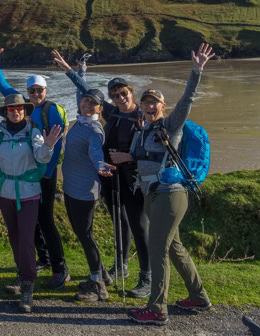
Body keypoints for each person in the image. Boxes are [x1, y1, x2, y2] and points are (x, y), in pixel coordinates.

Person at [113, 43, 216, 326]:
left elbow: (187, 100)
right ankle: (199, 297)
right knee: (174, 248)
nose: (148, 106)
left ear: (162, 106)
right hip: (153, 195)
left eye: (154, 102)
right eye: (145, 102)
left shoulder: (171, 126)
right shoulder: (143, 130)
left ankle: (157, 310)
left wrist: (196, 70)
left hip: (170, 195)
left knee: (158, 248)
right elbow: (141, 159)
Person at [52, 49, 151, 298]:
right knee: (120, 223)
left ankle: (147, 278)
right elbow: (85, 91)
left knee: (139, 226)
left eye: (124, 93)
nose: (120, 97)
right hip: (111, 178)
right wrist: (70, 70)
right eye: (115, 95)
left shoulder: (143, 117)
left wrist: (129, 157)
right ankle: (121, 266)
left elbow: (154, 149)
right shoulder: (112, 112)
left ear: (131, 93)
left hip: (135, 179)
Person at [0, 94, 62, 313]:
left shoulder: (33, 133)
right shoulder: (0, 137)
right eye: (11, 109)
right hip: (5, 193)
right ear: (6, 112)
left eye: (19, 108)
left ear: (25, 111)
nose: (15, 112)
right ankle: (22, 274)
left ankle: (27, 285)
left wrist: (50, 145)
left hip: (29, 194)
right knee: (14, 237)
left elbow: (42, 156)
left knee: (26, 238)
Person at [0, 48, 70, 290]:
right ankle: (41, 259)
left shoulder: (51, 110)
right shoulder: (21, 104)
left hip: (44, 173)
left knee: (45, 220)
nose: (35, 94)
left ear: (46, 91)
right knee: (29, 220)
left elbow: (54, 146)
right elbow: (2, 86)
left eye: (39, 90)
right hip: (27, 176)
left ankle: (60, 268)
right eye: (31, 90)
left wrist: (45, 173)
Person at [59, 86, 116, 302]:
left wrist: (100, 165)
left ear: (100, 109)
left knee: (86, 235)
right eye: (85, 100)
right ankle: (103, 275)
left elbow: (95, 151)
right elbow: (79, 93)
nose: (87, 104)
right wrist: (78, 72)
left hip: (84, 191)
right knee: (82, 233)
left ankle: (98, 286)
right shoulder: (80, 122)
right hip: (72, 187)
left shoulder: (94, 129)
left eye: (93, 103)